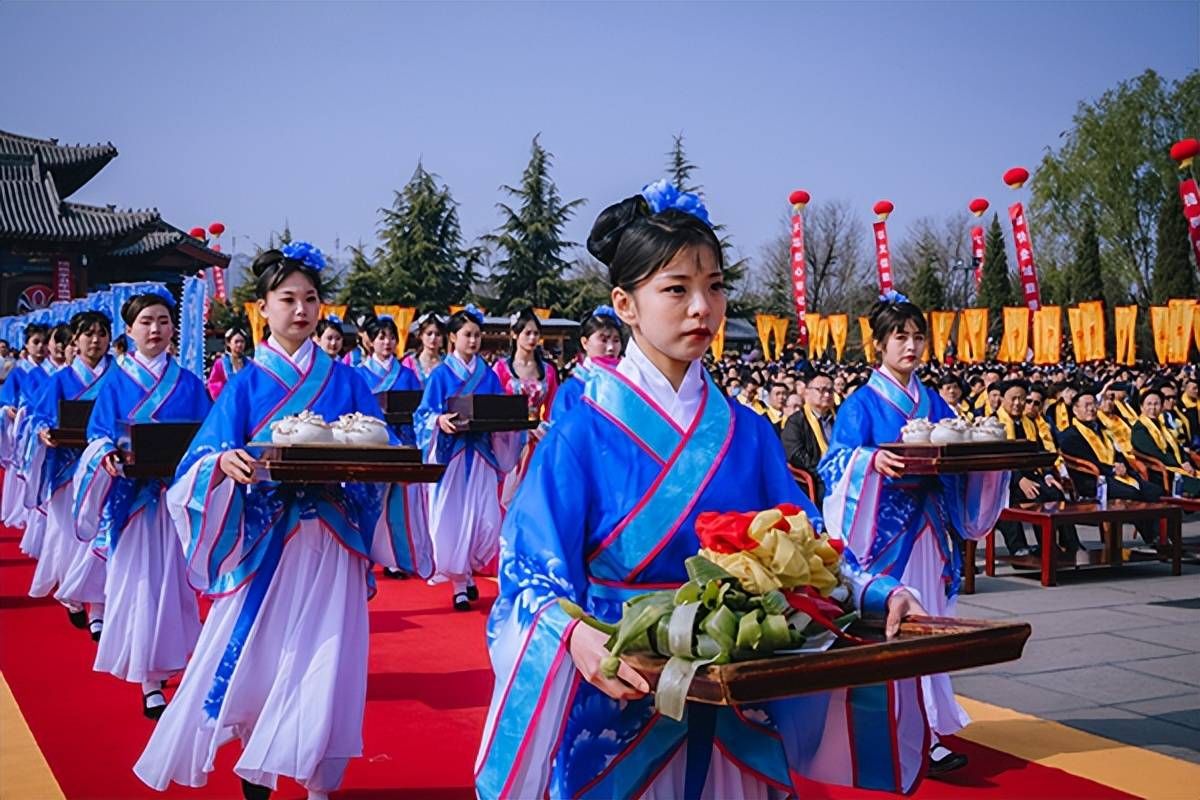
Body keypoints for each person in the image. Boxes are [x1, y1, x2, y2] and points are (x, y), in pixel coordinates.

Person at [477, 184, 928, 800]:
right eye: (676, 288)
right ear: (625, 305)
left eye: (714, 286)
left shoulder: (746, 430)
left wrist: (879, 593)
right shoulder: (580, 422)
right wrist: (574, 636)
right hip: (623, 673)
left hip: (735, 673)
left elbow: (809, 546)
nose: (702, 308)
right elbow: (531, 563)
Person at [135, 243, 394, 800]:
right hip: (265, 543)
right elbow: (198, 462)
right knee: (262, 654)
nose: (301, 310)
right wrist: (223, 464)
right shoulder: (247, 383)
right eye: (287, 299)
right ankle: (257, 767)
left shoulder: (346, 380)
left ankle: (320, 780)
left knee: (329, 654)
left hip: (330, 538)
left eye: (311, 299)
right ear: (263, 308)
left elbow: (382, 442)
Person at [818, 293, 1009, 776]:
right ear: (878, 345)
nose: (911, 345)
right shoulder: (861, 403)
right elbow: (834, 463)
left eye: (917, 336)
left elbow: (954, 445)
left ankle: (930, 731)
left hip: (928, 531)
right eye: (900, 336)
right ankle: (898, 731)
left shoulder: (933, 399)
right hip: (884, 537)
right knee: (896, 630)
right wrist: (869, 461)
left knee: (933, 623)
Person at [72, 291, 210, 719]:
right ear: (129, 331)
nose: (156, 330)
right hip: (132, 502)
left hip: (176, 500)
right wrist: (107, 454)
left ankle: (177, 662)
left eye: (164, 321)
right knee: (141, 585)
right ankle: (150, 678)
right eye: (146, 322)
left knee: (176, 586)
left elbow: (209, 436)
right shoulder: (115, 381)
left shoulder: (189, 383)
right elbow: (97, 435)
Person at [414, 305, 523, 611]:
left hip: (483, 456)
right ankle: (460, 584)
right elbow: (422, 414)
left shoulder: (488, 375)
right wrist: (438, 421)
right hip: (453, 456)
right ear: (453, 338)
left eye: (477, 335)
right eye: (467, 335)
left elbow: (498, 411)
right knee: (453, 518)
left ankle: (470, 569)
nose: (473, 340)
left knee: (485, 518)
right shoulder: (440, 375)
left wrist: (510, 426)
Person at [22, 311, 113, 641]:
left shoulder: (117, 377)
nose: (95, 340)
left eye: (102, 333)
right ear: (75, 340)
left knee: (100, 537)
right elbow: (35, 417)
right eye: (88, 334)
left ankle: (98, 610)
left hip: (103, 471)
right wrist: (44, 432)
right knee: (69, 537)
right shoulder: (60, 380)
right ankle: (73, 595)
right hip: (66, 470)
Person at [355, 315, 431, 581]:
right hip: (371, 443)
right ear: (370, 342)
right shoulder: (359, 374)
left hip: (401, 442)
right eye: (381, 337)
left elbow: (420, 411)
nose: (387, 343)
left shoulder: (407, 375)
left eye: (391, 337)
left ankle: (394, 559)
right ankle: (364, 555)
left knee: (399, 504)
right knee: (369, 501)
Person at [1060, 387, 1163, 548]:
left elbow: (1117, 451)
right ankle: (1153, 538)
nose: (1092, 408)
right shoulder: (1070, 435)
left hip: (1114, 474)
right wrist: (1112, 469)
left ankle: (1163, 537)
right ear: (1075, 409)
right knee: (1132, 493)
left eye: (1094, 404)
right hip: (1093, 481)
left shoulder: (1102, 429)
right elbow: (1087, 462)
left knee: (1154, 491)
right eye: (1086, 405)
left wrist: (1121, 464)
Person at [993, 379, 1080, 558]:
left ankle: (1067, 543)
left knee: (1055, 493)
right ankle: (1020, 548)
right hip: (1004, 479)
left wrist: (1048, 474)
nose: (1018, 403)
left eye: (1022, 399)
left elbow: (1040, 453)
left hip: (1032, 475)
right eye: (1013, 398)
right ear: (1002, 399)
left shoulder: (1029, 423)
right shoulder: (993, 423)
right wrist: (1019, 480)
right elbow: (996, 459)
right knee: (1036, 495)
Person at [493, 308, 559, 510]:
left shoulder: (547, 370)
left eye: (535, 334)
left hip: (538, 436)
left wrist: (545, 428)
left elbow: (552, 406)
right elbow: (494, 403)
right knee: (506, 490)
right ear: (515, 335)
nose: (532, 338)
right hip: (508, 436)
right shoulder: (501, 368)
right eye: (527, 333)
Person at [1, 323, 56, 535]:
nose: (41, 347)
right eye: (36, 342)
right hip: (21, 428)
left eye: (44, 342)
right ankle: (19, 509)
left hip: (42, 427)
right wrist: (8, 409)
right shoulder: (19, 372)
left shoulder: (53, 372)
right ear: (26, 345)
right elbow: (5, 400)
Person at [549, 305, 622, 422]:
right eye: (603, 340)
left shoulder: (626, 386)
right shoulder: (570, 389)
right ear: (585, 342)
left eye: (616, 340)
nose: (611, 347)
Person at [1131, 387, 1200, 497]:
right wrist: (1180, 464)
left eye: (1156, 404)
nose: (1153, 408)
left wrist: (1186, 461)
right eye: (1149, 404)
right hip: (1161, 470)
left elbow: (1177, 447)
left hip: (1177, 466)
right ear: (1141, 407)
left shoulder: (1162, 426)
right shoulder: (1139, 428)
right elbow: (1154, 453)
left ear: (1162, 407)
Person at [781, 371, 836, 502]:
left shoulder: (839, 418)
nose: (827, 395)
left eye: (830, 390)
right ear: (807, 392)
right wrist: (822, 469)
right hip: (817, 477)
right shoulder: (796, 421)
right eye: (821, 390)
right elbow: (795, 454)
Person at [400, 312, 446, 386]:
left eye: (438, 334)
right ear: (421, 335)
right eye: (429, 334)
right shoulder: (409, 363)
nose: (433, 338)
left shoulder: (448, 363)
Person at [206, 326, 249, 400]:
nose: (239, 344)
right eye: (236, 341)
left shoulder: (249, 363)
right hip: (227, 403)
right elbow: (213, 383)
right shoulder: (220, 363)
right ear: (229, 343)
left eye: (242, 341)